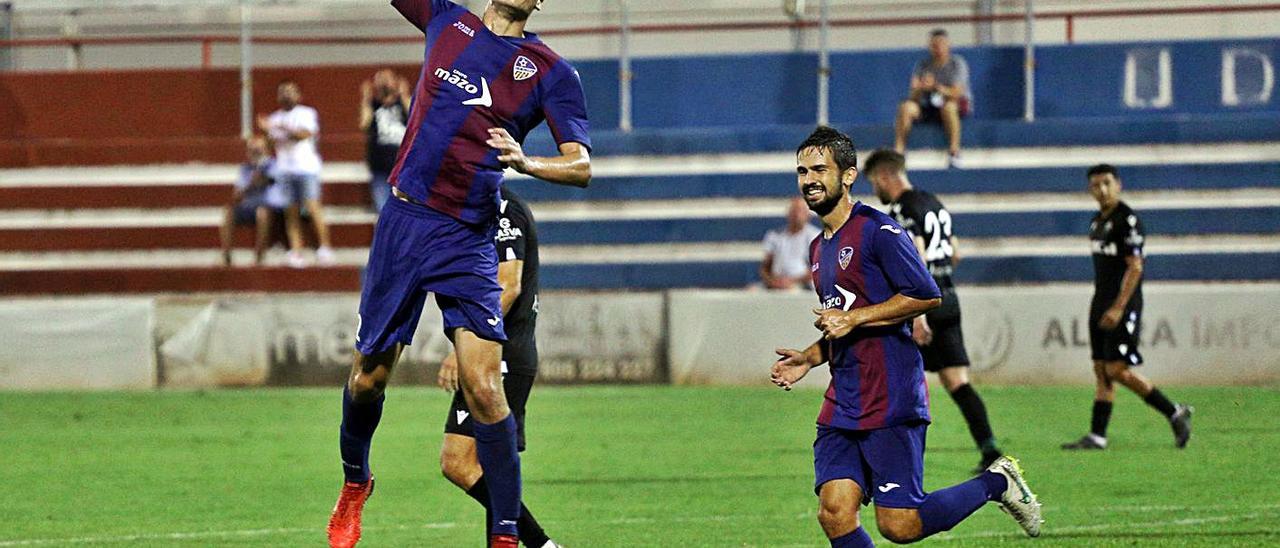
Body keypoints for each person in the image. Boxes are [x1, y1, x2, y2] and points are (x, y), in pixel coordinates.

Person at [327, 0, 592, 547]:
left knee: (485, 388)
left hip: (468, 235)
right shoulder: (448, 20)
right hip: (405, 220)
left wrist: (526, 163)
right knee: (368, 377)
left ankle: (504, 535)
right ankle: (356, 482)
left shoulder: (552, 72)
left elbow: (581, 164)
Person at [770, 127, 1040, 547]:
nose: (808, 179)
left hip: (890, 396)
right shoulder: (819, 248)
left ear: (848, 175)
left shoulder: (880, 230)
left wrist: (856, 318)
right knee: (834, 512)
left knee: (899, 526)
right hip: (843, 399)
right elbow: (843, 323)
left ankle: (996, 483)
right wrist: (808, 358)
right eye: (802, 171)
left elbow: (926, 294)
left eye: (819, 169)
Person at [863, 149, 1002, 473]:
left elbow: (915, 257)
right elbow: (955, 253)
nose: (875, 191)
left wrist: (918, 314)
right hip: (948, 296)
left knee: (888, 376)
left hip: (923, 304)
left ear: (885, 176)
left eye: (874, 183)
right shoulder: (933, 203)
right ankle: (991, 450)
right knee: (958, 382)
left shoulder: (902, 210)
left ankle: (884, 457)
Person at [437, 189, 561, 548]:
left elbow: (508, 285)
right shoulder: (468, 207)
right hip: (488, 351)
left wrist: (464, 345)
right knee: (466, 462)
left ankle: (541, 545)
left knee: (468, 462)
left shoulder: (505, 208)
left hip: (503, 352)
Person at [1062, 164, 1193, 451]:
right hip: (1100, 301)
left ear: (1118, 184)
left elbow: (1135, 267)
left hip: (1122, 303)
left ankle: (1174, 411)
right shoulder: (1096, 222)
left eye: (1107, 183)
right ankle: (1097, 436)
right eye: (1096, 185)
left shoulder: (1128, 221)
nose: (1102, 190)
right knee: (1100, 368)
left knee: (1118, 370)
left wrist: (1119, 307)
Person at [258, 80, 336, 267]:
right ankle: (296, 250)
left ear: (298, 96)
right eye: (283, 91)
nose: (286, 95)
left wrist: (277, 128)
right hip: (285, 169)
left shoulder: (306, 113)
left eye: (291, 91)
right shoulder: (274, 119)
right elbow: (270, 147)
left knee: (313, 207)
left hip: (306, 168)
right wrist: (266, 133)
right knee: (290, 212)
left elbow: (305, 135)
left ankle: (324, 247)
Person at [893, 29, 971, 168]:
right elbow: (913, 96)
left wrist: (936, 86)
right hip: (928, 105)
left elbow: (957, 92)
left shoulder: (957, 64)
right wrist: (920, 88)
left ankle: (954, 152)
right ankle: (899, 152)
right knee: (906, 107)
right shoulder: (923, 65)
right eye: (934, 45)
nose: (938, 48)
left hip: (951, 105)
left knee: (949, 107)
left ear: (948, 45)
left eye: (941, 44)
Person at [219, 136, 284, 267]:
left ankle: (259, 256)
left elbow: (269, 180)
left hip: (270, 206)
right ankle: (226, 255)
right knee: (228, 211)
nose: (255, 152)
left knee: (262, 213)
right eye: (252, 150)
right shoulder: (245, 169)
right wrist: (248, 186)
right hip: (249, 206)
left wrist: (258, 178)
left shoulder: (274, 165)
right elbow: (237, 194)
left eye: (258, 149)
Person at [360, 69, 411, 213]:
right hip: (380, 166)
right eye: (380, 79)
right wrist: (366, 100)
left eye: (387, 79)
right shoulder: (373, 105)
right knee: (382, 209)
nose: (384, 83)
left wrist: (404, 95)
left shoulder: (402, 103)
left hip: (402, 165)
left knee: (405, 209)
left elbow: (414, 120)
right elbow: (364, 124)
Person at [761, 196, 821, 291]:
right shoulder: (774, 235)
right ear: (788, 213)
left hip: (803, 285)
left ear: (808, 215)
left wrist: (792, 281)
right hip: (776, 283)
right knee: (751, 291)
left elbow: (819, 268)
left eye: (800, 211)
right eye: (794, 211)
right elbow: (765, 267)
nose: (796, 215)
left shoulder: (816, 237)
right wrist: (772, 282)